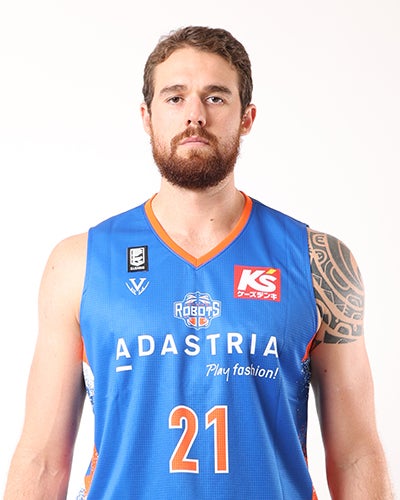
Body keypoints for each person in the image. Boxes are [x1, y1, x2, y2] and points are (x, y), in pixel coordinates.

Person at [4, 26, 393, 500]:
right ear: (146, 117)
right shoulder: (80, 263)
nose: (195, 115)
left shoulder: (316, 261)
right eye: (175, 97)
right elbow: (43, 460)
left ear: (246, 118)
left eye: (215, 97)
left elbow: (356, 453)